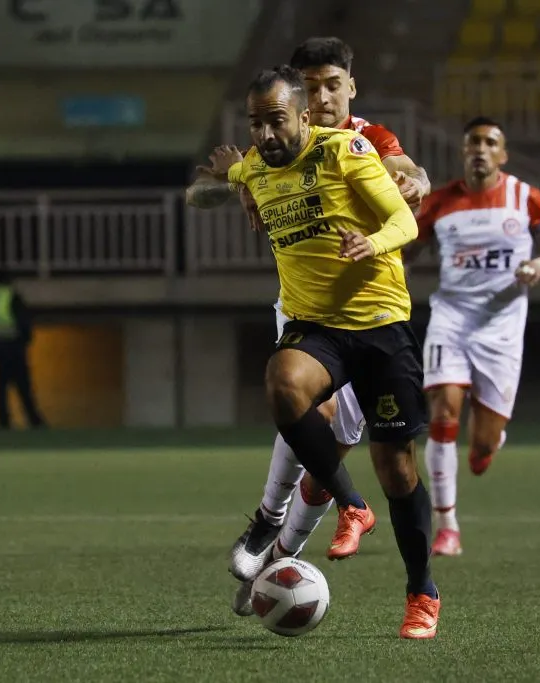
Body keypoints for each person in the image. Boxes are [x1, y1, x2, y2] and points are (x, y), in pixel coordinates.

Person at [188, 65, 440, 639]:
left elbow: (403, 218)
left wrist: (369, 242)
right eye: (256, 124)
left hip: (379, 324)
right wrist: (231, 180)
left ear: (304, 116)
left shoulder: (345, 151)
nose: (265, 134)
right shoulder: (257, 164)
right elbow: (194, 194)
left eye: (275, 121)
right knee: (283, 382)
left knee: (396, 468)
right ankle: (351, 505)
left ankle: (422, 592)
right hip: (317, 327)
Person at [408, 116, 540, 556]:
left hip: (501, 328)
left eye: (489, 142)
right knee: (442, 410)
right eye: (473, 142)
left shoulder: (525, 198)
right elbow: (406, 249)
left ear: (503, 154)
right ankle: (448, 527)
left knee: (480, 447)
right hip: (451, 319)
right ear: (464, 152)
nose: (480, 148)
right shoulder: (440, 202)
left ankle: (488, 444)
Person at [0, 268, 46, 430]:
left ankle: (3, 420)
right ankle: (34, 419)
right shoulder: (11, 296)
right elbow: (23, 320)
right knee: (23, 384)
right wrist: (26, 339)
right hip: (14, 345)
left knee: (1, 384)